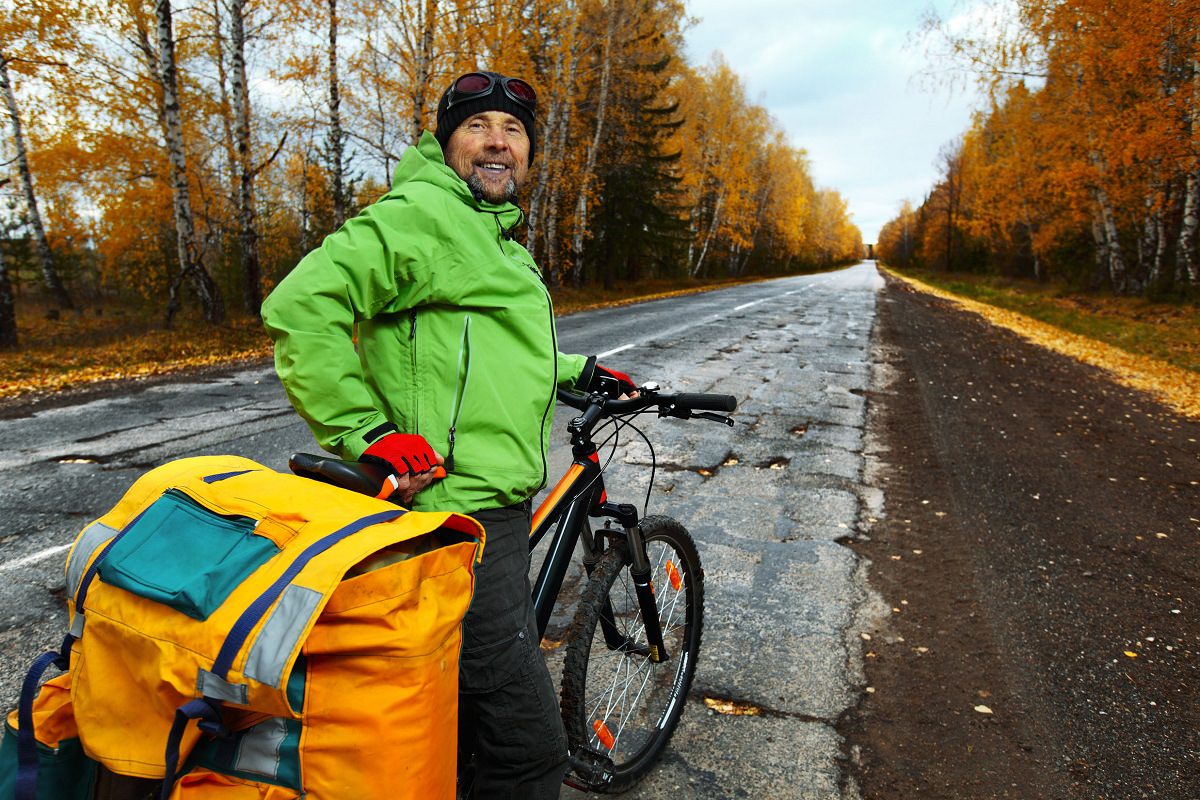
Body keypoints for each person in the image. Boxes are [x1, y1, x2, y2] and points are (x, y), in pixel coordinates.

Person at [261, 70, 637, 799]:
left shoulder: (492, 237)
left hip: (489, 502)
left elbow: (483, 348)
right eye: (477, 126)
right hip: (453, 514)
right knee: (530, 754)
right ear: (444, 141)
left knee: (465, 712)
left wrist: (578, 368)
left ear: (529, 153)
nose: (498, 142)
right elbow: (302, 306)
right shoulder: (425, 216)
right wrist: (366, 430)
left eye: (515, 131)